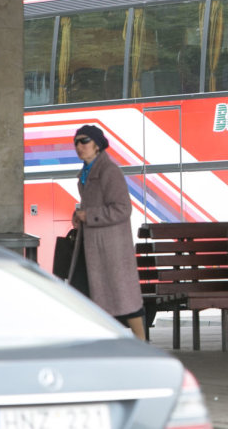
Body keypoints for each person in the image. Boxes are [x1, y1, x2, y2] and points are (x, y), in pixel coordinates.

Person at [69, 124, 146, 341]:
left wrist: (90, 215)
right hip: (92, 248)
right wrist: (80, 216)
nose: (79, 146)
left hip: (110, 249)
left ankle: (142, 343)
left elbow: (123, 209)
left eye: (84, 141)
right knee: (83, 295)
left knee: (123, 300)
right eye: (76, 142)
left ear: (97, 145)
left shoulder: (109, 171)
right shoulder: (86, 173)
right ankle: (94, 343)